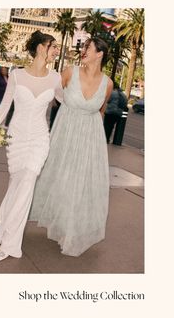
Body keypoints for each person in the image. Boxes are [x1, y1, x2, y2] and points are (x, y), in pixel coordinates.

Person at [29, 36, 113, 257]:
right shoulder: (69, 72)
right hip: (64, 136)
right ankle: (56, 222)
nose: (83, 50)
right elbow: (50, 97)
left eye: (88, 47)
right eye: (84, 46)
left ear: (99, 54)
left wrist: (97, 151)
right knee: (60, 177)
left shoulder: (108, 83)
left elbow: (101, 114)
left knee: (80, 184)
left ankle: (71, 229)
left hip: (90, 140)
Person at [0, 30, 61, 261]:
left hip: (40, 139)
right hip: (16, 137)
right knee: (17, 182)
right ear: (41, 48)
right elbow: (5, 104)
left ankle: (10, 242)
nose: (56, 51)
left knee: (28, 180)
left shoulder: (56, 78)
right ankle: (3, 222)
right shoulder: (17, 75)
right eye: (53, 46)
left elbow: (68, 103)